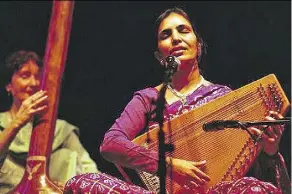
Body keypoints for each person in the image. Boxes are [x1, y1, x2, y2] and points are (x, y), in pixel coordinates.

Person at [100, 7, 290, 194]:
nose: (175, 38)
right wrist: (169, 166)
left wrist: (270, 150)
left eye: (183, 30)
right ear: (159, 56)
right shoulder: (148, 99)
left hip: (217, 191)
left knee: (255, 190)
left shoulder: (224, 97)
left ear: (198, 46)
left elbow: (248, 169)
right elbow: (111, 144)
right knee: (83, 182)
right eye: (165, 35)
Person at [0, 50, 100, 193]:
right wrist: (17, 122)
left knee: (66, 156)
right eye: (25, 76)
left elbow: (90, 170)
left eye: (38, 77)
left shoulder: (59, 128)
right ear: (9, 85)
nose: (34, 83)